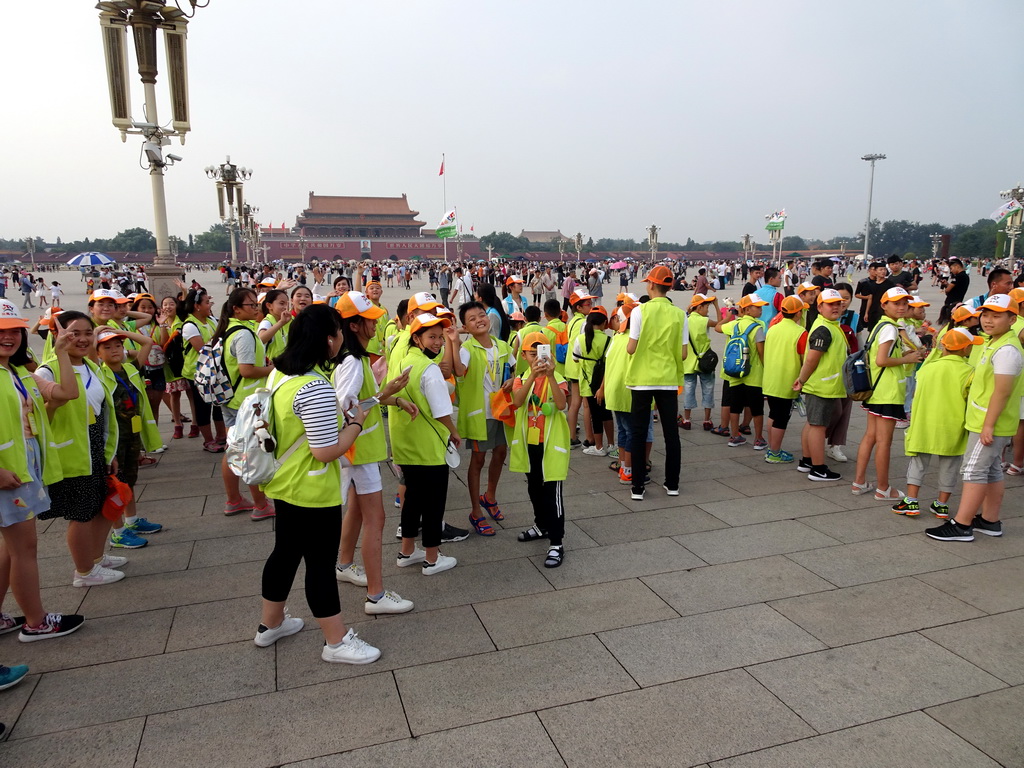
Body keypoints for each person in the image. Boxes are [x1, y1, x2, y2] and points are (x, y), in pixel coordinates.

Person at [255, 304, 381, 664]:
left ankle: (271, 624)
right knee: (320, 564)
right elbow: (326, 451)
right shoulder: (315, 387)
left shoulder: (280, 374)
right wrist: (355, 423)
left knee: (285, 553)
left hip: (284, 482)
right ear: (329, 339)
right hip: (312, 489)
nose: (342, 337)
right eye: (339, 331)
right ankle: (336, 641)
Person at [0, 300, 85, 640]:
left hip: (23, 467)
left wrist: (62, 351)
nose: (9, 337)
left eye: (13, 331)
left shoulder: (18, 372)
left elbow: (66, 392)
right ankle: (36, 622)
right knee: (24, 549)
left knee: (10, 548)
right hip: (8, 474)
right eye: (0, 331)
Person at [332, 292, 416, 615]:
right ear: (354, 325)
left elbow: (361, 400)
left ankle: (344, 563)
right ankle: (376, 595)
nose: (376, 321)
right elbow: (344, 408)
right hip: (359, 449)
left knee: (356, 509)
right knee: (376, 518)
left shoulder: (351, 356)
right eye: (370, 318)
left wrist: (389, 397)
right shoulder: (352, 362)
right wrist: (385, 394)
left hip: (357, 451)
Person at [36, 311, 125, 587]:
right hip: (71, 454)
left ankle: (95, 557)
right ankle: (84, 571)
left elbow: (102, 412)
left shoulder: (91, 366)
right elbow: (38, 420)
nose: (84, 339)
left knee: (100, 507)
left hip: (95, 448)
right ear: (58, 335)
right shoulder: (47, 371)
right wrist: (53, 405)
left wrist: (109, 452)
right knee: (81, 513)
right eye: (75, 333)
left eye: (89, 333)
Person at [926, 295, 1024, 541]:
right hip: (987, 420)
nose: (988, 321)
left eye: (997, 315)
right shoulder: (996, 343)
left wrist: (989, 425)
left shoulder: (1007, 350)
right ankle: (990, 520)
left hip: (989, 423)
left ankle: (962, 525)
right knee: (990, 471)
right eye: (986, 315)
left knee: (973, 471)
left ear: (1012, 319)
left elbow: (1002, 391)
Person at [392, 314, 461, 574]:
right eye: (432, 337)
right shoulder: (429, 368)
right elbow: (442, 409)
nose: (438, 343)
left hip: (406, 444)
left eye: (440, 338)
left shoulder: (402, 361)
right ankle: (432, 557)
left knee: (412, 500)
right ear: (417, 338)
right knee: (433, 504)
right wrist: (453, 431)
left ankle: (407, 551)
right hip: (428, 446)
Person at [892, 327, 980, 518]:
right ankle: (941, 504)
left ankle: (911, 500)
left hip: (924, 423)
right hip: (952, 425)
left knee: (918, 461)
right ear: (966, 350)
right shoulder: (970, 372)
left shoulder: (928, 368)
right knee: (950, 465)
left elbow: (917, 391)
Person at [851, 287, 927, 500]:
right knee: (884, 441)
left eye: (905, 303)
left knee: (870, 437)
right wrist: (907, 359)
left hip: (876, 389)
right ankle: (883, 488)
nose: (902, 307)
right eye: (896, 303)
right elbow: (882, 360)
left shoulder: (882, 325)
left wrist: (906, 354)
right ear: (884, 305)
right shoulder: (890, 329)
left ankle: (859, 482)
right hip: (888, 390)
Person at [94, 325, 165, 549]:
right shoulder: (98, 373)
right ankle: (118, 532)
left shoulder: (130, 368)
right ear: (98, 353)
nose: (115, 350)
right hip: (113, 438)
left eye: (118, 345)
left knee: (129, 480)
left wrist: (122, 333)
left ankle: (132, 520)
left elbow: (147, 342)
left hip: (132, 434)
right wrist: (96, 333)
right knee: (116, 484)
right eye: (107, 347)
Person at [215, 288, 277, 520]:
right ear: (236, 309)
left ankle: (234, 500)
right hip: (246, 401)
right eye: (251, 305)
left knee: (234, 449)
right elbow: (247, 370)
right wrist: (275, 369)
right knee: (250, 452)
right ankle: (260, 505)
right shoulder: (243, 334)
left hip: (233, 398)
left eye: (255, 304)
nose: (256, 308)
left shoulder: (230, 329)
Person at [626, 266, 687, 500]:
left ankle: (638, 486)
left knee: (638, 432)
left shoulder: (640, 311)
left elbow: (631, 347)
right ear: (669, 287)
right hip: (669, 379)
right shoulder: (680, 314)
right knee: (671, 433)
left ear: (651, 285)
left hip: (642, 379)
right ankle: (672, 484)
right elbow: (683, 353)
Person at [511, 332, 570, 567]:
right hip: (530, 442)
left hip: (551, 443)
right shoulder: (522, 377)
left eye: (541, 353)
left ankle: (556, 542)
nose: (537, 359)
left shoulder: (557, 376)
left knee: (552, 491)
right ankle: (541, 525)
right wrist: (532, 377)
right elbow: (516, 401)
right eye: (532, 354)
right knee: (534, 487)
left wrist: (551, 376)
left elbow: (561, 403)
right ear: (524, 355)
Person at [455, 301, 512, 536]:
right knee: (477, 460)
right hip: (481, 414)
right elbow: (458, 371)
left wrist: (513, 381)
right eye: (472, 319)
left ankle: (490, 496)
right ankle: (475, 511)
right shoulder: (467, 348)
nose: (480, 320)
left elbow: (512, 371)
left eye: (482, 315)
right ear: (466, 327)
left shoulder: (502, 345)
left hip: (502, 410)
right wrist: (452, 340)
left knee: (500, 453)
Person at [716, 294, 768, 450]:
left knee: (735, 406)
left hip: (735, 372)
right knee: (757, 407)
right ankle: (758, 439)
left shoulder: (734, 325)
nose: (760, 310)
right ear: (746, 309)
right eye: (757, 307)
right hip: (754, 374)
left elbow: (718, 327)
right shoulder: (757, 327)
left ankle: (735, 436)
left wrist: (729, 316)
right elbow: (761, 353)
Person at [761, 295, 808, 464]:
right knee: (781, 418)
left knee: (773, 414)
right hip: (787, 382)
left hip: (770, 380)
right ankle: (774, 452)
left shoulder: (773, 328)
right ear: (798, 313)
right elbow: (805, 360)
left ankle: (772, 448)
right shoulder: (801, 333)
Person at [575, 308, 614, 456]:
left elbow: (575, 358)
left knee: (595, 414)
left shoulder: (580, 339)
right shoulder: (608, 340)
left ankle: (598, 447)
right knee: (606, 412)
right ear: (604, 323)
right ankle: (611, 444)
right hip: (604, 383)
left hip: (587, 382)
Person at [680, 294, 720, 431]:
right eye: (706, 307)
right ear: (699, 307)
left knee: (689, 391)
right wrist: (717, 306)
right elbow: (721, 324)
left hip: (689, 363)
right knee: (708, 390)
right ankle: (707, 420)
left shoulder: (686, 320)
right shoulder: (704, 321)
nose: (707, 310)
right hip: (705, 363)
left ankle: (686, 420)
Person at [563, 288, 595, 448]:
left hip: (571, 365)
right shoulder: (584, 323)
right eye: (588, 304)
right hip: (580, 366)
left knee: (575, 403)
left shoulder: (572, 321)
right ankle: (590, 437)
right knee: (585, 403)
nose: (591, 306)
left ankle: (571, 436)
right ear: (579, 308)